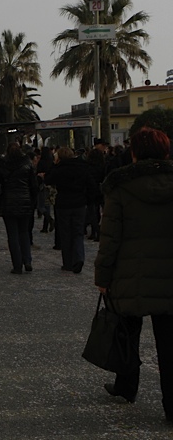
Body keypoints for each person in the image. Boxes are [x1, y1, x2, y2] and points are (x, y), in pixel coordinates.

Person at [94, 127, 173, 423]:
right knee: (170, 344)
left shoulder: (121, 186)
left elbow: (110, 236)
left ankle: (127, 386)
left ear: (134, 152)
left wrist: (102, 276)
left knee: (126, 333)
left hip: (130, 273)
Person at [44, 147, 95, 274]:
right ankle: (78, 257)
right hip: (79, 203)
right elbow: (91, 184)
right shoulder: (82, 167)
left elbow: (48, 179)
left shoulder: (60, 169)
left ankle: (67, 262)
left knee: (65, 233)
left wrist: (54, 166)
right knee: (78, 233)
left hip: (64, 203)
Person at [0, 143, 38, 274]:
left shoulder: (2, 164)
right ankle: (27, 260)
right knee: (24, 232)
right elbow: (33, 185)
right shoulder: (27, 163)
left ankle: (17, 264)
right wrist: (32, 202)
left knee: (12, 235)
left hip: (9, 202)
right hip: (25, 200)